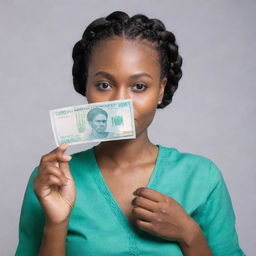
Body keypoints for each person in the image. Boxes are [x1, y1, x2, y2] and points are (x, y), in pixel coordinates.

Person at [15, 11, 246, 256]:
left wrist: (189, 234)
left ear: (160, 90)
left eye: (139, 86)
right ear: (86, 86)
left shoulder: (202, 177)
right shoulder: (52, 181)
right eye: (104, 85)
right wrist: (56, 224)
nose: (120, 102)